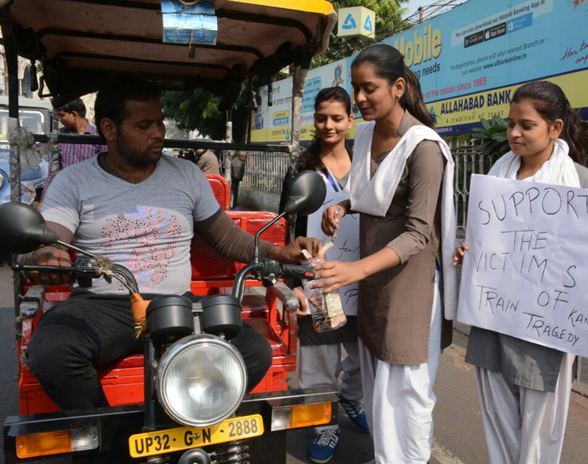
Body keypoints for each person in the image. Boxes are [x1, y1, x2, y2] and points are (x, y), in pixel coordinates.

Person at [22, 75, 320, 411]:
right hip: (103, 306)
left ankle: (183, 420)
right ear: (109, 129)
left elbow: (225, 235)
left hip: (177, 305)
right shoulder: (72, 181)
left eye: (160, 122)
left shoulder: (186, 174)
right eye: (144, 125)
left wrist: (280, 251)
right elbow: (53, 236)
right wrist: (49, 255)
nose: (159, 132)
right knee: (52, 352)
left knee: (253, 351)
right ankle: (113, 437)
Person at [452, 80, 588, 464]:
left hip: (547, 331)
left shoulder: (579, 182)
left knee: (538, 432)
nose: (514, 133)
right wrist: (469, 252)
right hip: (494, 319)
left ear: (555, 128)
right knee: (498, 421)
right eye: (510, 123)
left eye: (526, 125)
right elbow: (485, 244)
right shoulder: (495, 180)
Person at [316, 44, 458, 464]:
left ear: (398, 87)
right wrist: (343, 205)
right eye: (356, 88)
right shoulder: (365, 135)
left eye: (369, 88)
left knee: (408, 391)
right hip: (374, 279)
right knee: (378, 384)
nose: (359, 98)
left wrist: (354, 269)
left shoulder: (423, 146)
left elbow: (418, 232)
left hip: (409, 286)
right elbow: (368, 194)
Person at [279, 87, 367, 464]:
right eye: (321, 117)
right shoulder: (302, 169)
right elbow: (286, 231)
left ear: (351, 120)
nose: (328, 125)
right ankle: (325, 423)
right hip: (318, 280)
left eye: (336, 118)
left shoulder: (369, 165)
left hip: (363, 278)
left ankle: (349, 394)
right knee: (318, 359)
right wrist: (293, 265)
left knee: (366, 354)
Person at [42, 98, 106, 198]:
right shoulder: (60, 136)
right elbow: (52, 170)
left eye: (62, 115)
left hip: (92, 194)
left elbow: (107, 170)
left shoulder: (98, 137)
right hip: (66, 193)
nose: (59, 119)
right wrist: (44, 198)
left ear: (74, 115)